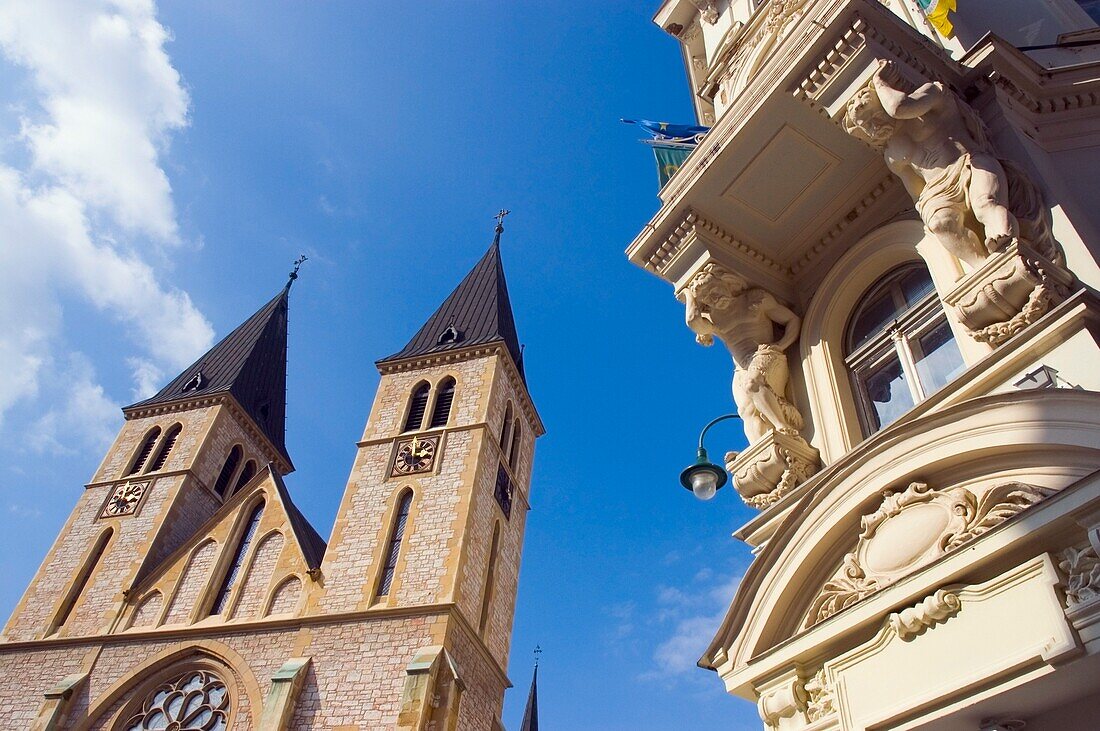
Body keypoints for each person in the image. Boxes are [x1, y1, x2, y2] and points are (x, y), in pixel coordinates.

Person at [845, 60, 1018, 268]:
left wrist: (879, 83)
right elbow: (916, 192)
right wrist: (928, 208)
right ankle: (983, 268)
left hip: (968, 165)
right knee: (940, 224)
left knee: (984, 204)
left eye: (875, 116)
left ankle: (1007, 244)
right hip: (936, 192)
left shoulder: (933, 94)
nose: (874, 128)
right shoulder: (892, 153)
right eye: (867, 126)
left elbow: (900, 108)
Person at [683, 264, 804, 443]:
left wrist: (780, 345)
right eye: (707, 299)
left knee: (752, 384)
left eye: (713, 290)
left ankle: (782, 427)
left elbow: (792, 320)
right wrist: (688, 294)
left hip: (765, 354)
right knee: (746, 411)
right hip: (741, 366)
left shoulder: (755, 299)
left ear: (726, 282)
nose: (713, 299)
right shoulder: (713, 318)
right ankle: (760, 448)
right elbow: (693, 321)